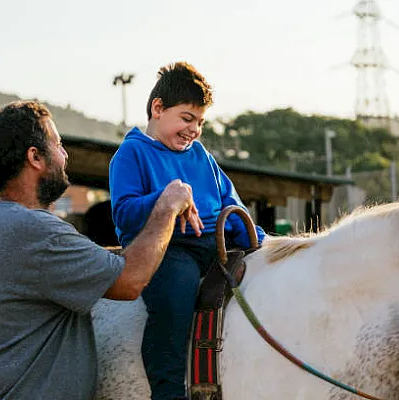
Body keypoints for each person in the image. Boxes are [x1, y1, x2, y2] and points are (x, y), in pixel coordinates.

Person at [0, 100, 202, 400]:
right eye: (57, 145)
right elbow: (130, 281)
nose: (64, 154)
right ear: (35, 157)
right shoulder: (35, 231)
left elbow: (93, 260)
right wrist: (166, 206)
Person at [109, 62, 267, 400]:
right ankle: (167, 391)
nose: (193, 130)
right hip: (167, 249)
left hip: (214, 242)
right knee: (175, 300)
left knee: (267, 277)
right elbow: (123, 214)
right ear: (158, 108)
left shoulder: (202, 156)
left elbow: (230, 202)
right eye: (186, 118)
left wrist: (263, 242)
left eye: (200, 122)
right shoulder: (131, 153)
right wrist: (167, 199)